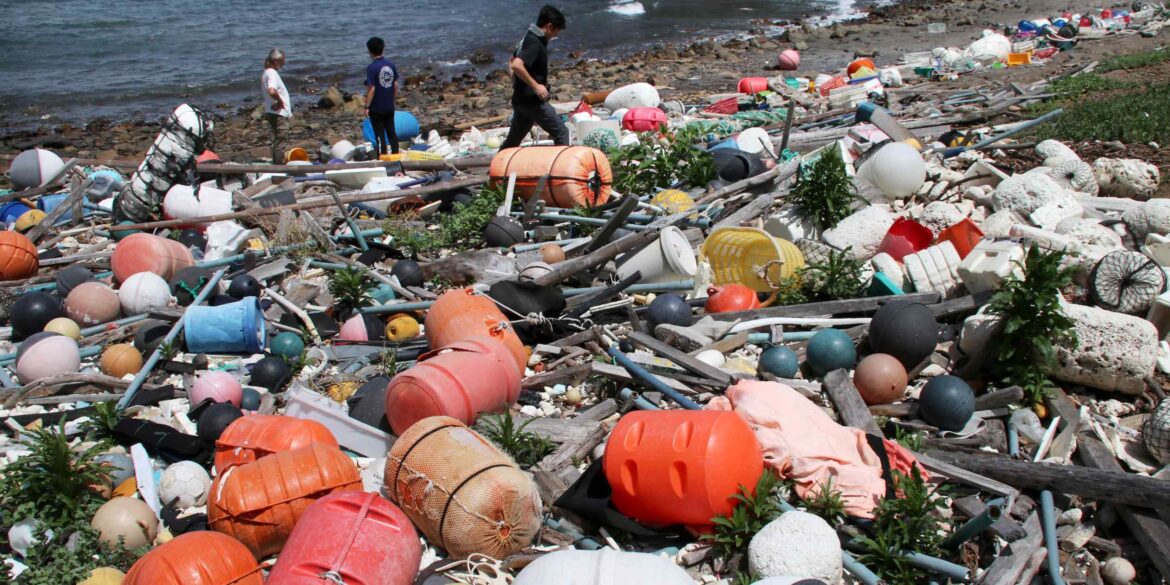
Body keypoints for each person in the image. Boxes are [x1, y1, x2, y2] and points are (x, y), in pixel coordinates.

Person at [501, 5, 569, 149]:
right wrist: (536, 86)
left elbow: (511, 61)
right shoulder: (535, 42)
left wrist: (516, 83)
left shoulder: (527, 37)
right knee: (561, 132)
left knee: (513, 141)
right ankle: (562, 164)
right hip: (533, 102)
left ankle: (499, 163)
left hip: (520, 100)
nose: (556, 35)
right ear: (549, 26)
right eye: (556, 31)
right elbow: (517, 65)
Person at [364, 37, 400, 156]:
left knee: (380, 136)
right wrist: (392, 100)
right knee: (392, 133)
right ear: (383, 49)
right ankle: (396, 156)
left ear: (370, 51)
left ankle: (382, 158)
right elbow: (395, 85)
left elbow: (372, 89)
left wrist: (367, 106)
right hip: (389, 105)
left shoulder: (371, 68)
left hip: (377, 108)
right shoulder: (391, 65)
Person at [261, 49, 292, 163]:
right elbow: (272, 91)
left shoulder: (267, 72)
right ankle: (279, 167)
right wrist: (280, 101)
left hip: (272, 112)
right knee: (281, 141)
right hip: (278, 113)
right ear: (276, 61)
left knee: (278, 140)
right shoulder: (271, 73)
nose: (284, 63)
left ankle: (277, 164)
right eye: (282, 61)